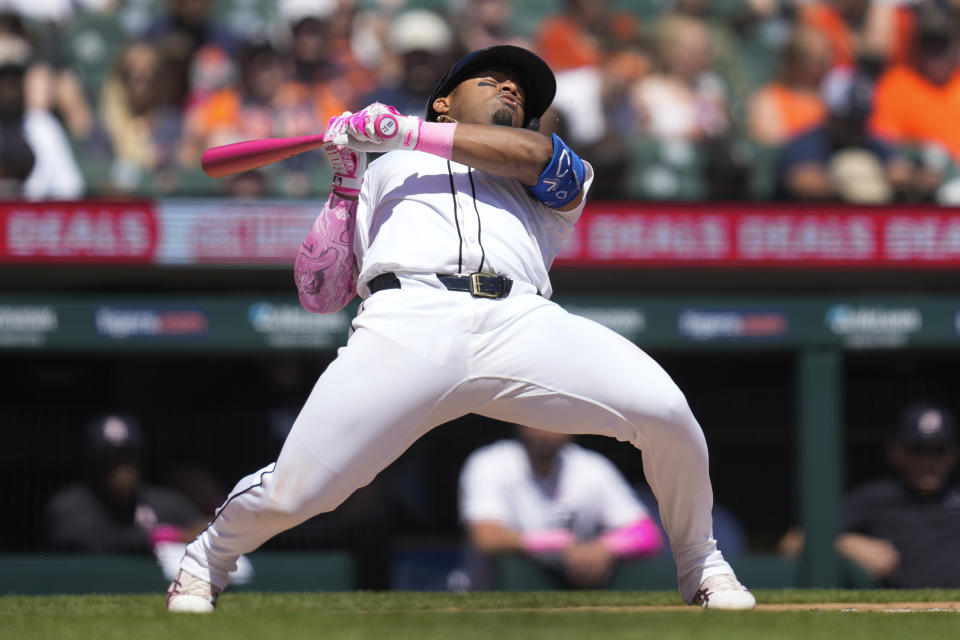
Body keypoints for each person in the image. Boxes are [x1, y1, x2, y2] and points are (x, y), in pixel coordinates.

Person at [165, 44, 756, 613]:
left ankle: (700, 563)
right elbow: (318, 295)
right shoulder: (387, 168)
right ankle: (205, 561)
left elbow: (533, 158)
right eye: (491, 79)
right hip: (405, 321)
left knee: (667, 412)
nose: (511, 88)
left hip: (520, 319)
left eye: (521, 90)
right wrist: (346, 183)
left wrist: (403, 130)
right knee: (298, 491)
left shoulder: (538, 163)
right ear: (443, 102)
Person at [458, 425, 664, 590]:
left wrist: (603, 548)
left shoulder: (592, 467)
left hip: (570, 597)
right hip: (488, 597)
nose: (545, 429)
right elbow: (486, 537)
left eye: (554, 419)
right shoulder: (489, 463)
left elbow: (647, 534)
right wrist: (560, 545)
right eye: (536, 418)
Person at [779, 403, 960, 588]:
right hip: (901, 611)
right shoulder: (876, 497)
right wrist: (850, 545)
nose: (928, 461)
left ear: (953, 454)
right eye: (918, 449)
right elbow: (792, 542)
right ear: (897, 453)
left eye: (939, 450)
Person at [46, 414, 209, 554]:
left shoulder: (165, 501)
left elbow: (206, 532)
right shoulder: (69, 504)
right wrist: (165, 537)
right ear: (93, 463)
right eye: (111, 459)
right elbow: (80, 540)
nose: (122, 468)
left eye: (128, 457)